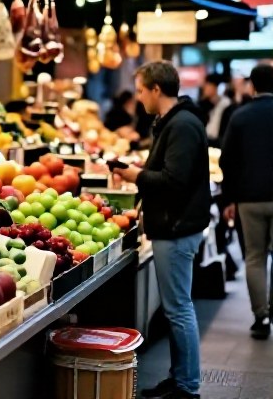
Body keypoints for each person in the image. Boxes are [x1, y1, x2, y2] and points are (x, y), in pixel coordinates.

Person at [113, 62, 210, 399]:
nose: (138, 97)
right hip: (174, 224)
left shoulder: (181, 125)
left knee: (179, 308)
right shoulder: (173, 122)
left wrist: (134, 176)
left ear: (156, 89)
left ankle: (187, 387)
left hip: (177, 227)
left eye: (141, 90)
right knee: (176, 307)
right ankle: (179, 378)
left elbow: (174, 181)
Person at [219, 64, 273, 340]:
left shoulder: (240, 116)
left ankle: (261, 317)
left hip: (249, 198)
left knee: (254, 257)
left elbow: (226, 160)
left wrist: (229, 197)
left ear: (252, 86)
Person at [201, 74, 232, 147]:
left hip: (219, 144)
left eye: (207, 85)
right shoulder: (204, 104)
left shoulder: (226, 105)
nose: (204, 88)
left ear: (214, 87)